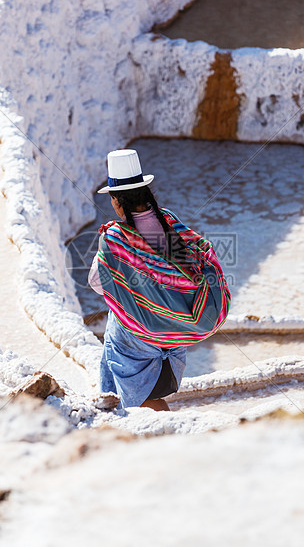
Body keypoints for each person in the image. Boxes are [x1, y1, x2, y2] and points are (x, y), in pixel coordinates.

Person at [88, 149, 230, 411]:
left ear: (117, 201)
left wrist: (132, 285)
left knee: (140, 399)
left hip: (137, 337)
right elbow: (189, 264)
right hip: (174, 329)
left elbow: (97, 282)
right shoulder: (169, 220)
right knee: (149, 397)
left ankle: (151, 433)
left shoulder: (115, 238)